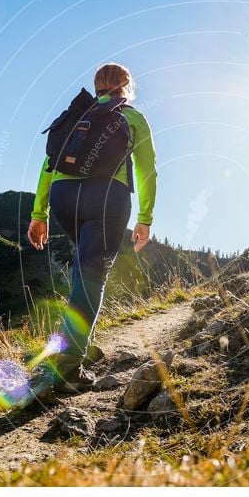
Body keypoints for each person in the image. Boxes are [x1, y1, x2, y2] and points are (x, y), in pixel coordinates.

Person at [26, 63, 157, 391]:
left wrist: (38, 213)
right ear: (126, 87)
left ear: (96, 86)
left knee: (85, 272)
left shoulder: (77, 115)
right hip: (106, 197)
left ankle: (76, 342)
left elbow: (48, 164)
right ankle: (69, 367)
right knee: (91, 275)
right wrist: (146, 218)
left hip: (63, 197)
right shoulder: (132, 117)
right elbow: (147, 171)